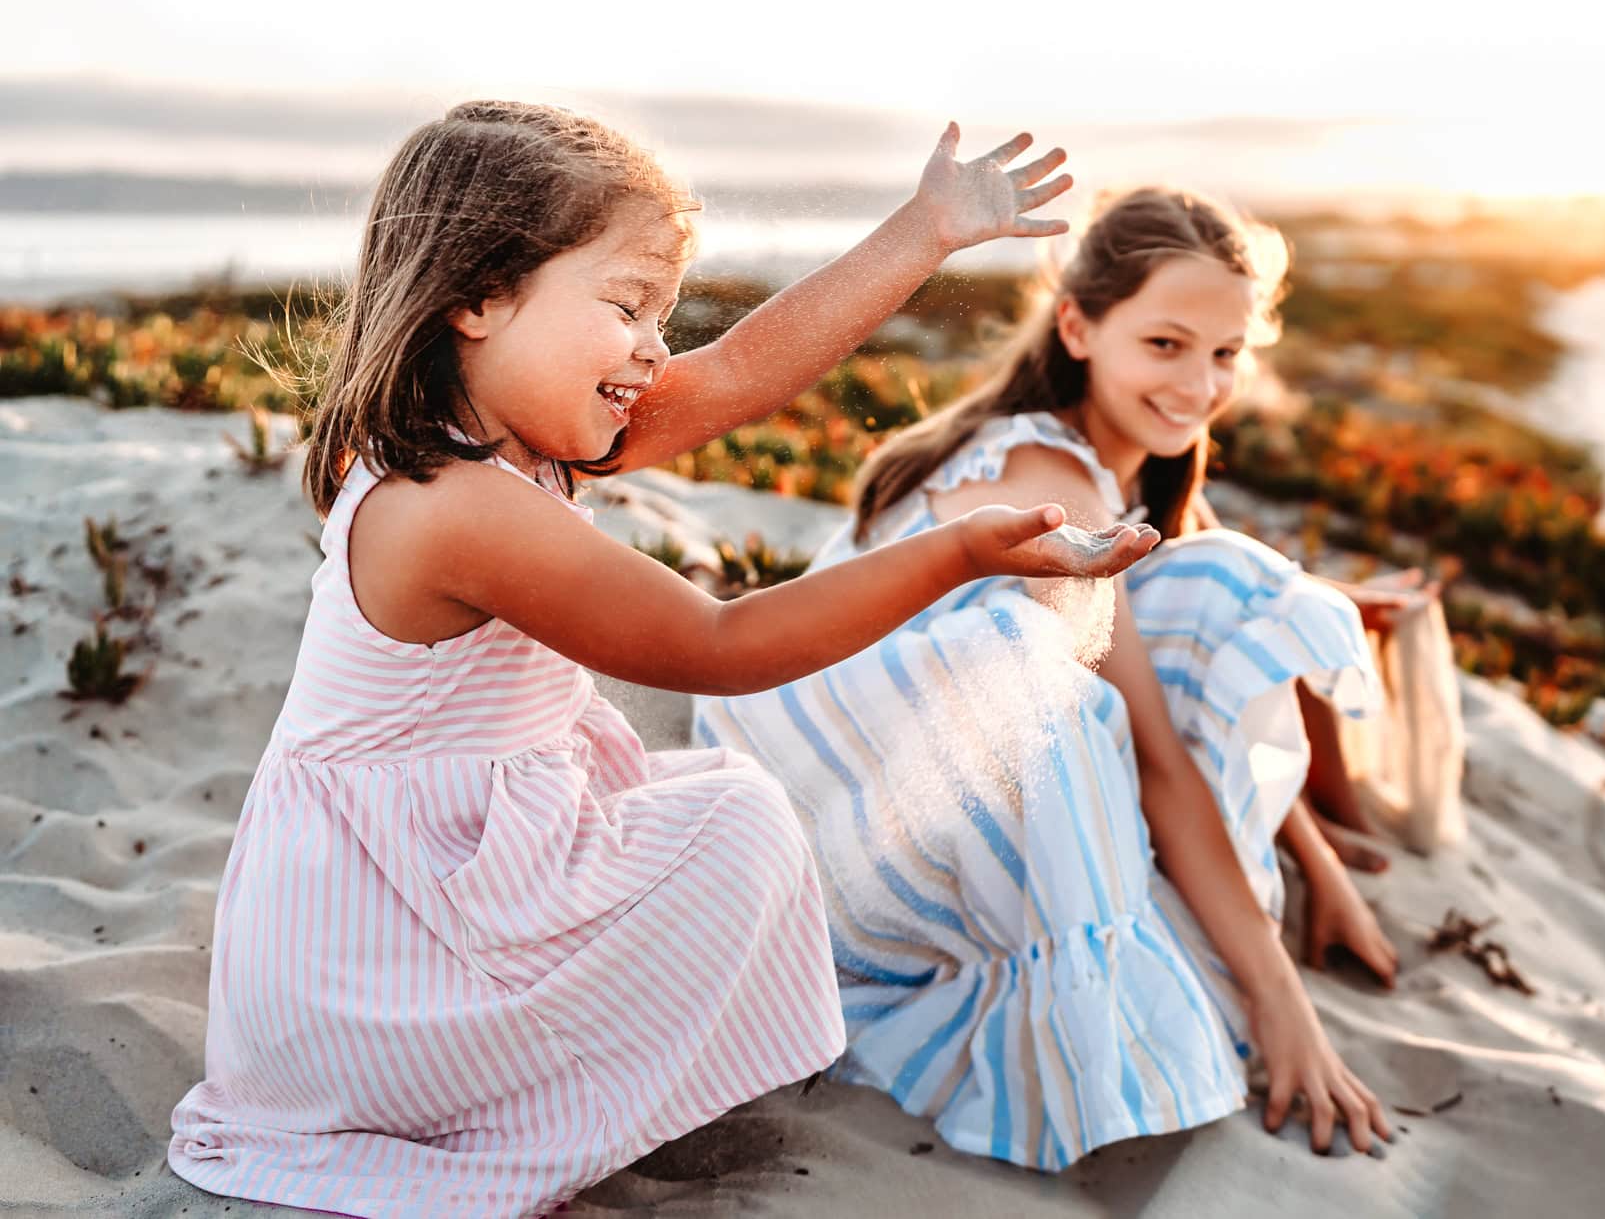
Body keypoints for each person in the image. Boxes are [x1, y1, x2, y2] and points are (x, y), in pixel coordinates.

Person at [165, 100, 1157, 1219]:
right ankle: (479, 1114)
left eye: (663, 313)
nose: (654, 347)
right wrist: (965, 549)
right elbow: (717, 643)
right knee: (734, 821)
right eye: (627, 305)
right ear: (478, 296)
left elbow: (735, 374)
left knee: (717, 814)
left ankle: (510, 1082)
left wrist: (923, 231)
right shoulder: (452, 507)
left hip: (423, 887)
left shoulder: (507, 436)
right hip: (372, 965)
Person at [693, 186, 1415, 1171]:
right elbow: (1161, 755)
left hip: (895, 791)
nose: (1200, 383)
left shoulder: (1112, 465)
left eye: (1223, 353)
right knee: (1214, 590)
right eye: (1164, 344)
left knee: (1210, 579)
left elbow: (1169, 669)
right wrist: (1283, 1004)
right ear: (1077, 324)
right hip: (830, 832)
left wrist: (1318, 866)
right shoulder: (1050, 474)